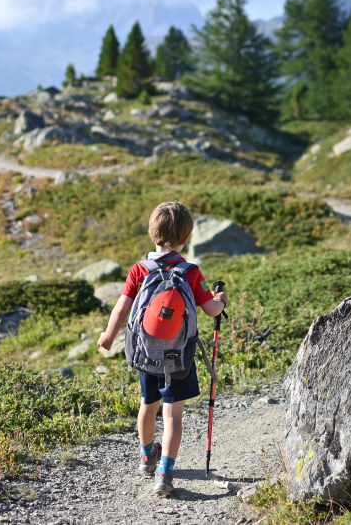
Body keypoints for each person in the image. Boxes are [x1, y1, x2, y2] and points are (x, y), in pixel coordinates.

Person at [97, 201, 229, 496]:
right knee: (173, 416)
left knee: (148, 406)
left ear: (152, 233)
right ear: (186, 239)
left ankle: (146, 457)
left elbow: (122, 308)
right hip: (178, 357)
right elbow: (210, 309)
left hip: (146, 354)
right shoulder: (191, 272)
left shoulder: (140, 270)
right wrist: (222, 299)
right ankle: (164, 475)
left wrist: (108, 336)